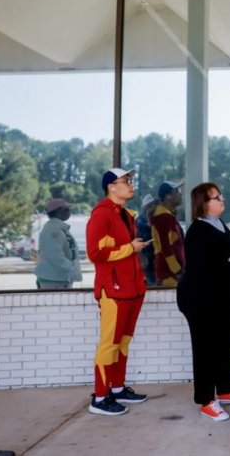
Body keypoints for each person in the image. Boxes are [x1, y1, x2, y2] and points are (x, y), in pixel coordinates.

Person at [177, 183, 230, 422]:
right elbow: (205, 270)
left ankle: (226, 389)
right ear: (203, 204)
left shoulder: (218, 225)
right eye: (216, 198)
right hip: (201, 299)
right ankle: (207, 399)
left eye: (221, 196)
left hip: (222, 297)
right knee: (205, 348)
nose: (222, 200)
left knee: (227, 341)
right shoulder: (198, 231)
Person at [86, 168, 149, 416]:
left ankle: (118, 388)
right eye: (126, 181)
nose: (131, 185)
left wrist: (132, 249)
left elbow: (119, 249)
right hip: (113, 290)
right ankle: (100, 397)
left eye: (131, 180)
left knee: (122, 342)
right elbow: (96, 254)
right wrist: (130, 248)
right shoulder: (102, 214)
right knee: (109, 344)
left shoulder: (124, 215)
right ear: (112, 187)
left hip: (131, 289)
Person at [35, 198, 82, 290]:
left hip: (58, 278)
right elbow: (54, 255)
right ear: (59, 211)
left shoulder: (58, 227)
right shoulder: (53, 229)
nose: (69, 212)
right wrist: (71, 268)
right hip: (54, 279)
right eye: (67, 210)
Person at [151, 181, 185, 286]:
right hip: (170, 275)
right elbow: (165, 247)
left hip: (172, 274)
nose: (181, 194)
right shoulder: (163, 217)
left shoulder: (167, 216)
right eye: (177, 191)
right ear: (168, 196)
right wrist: (177, 271)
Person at [135, 194, 158, 285]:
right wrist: (140, 256)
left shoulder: (156, 219)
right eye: (150, 206)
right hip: (147, 261)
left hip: (155, 260)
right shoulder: (139, 222)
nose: (152, 208)